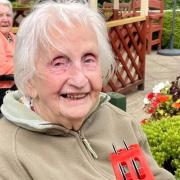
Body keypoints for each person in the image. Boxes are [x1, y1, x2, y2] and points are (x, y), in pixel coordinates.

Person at [0, 1, 175, 179]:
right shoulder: (7, 156)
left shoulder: (120, 121)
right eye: (59, 62)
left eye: (88, 59)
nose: (79, 79)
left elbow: (154, 175)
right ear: (29, 80)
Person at [0, 0, 15, 106]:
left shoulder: (13, 37)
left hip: (15, 85)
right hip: (3, 89)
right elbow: (1, 67)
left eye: (8, 15)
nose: (5, 19)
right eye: (0, 15)